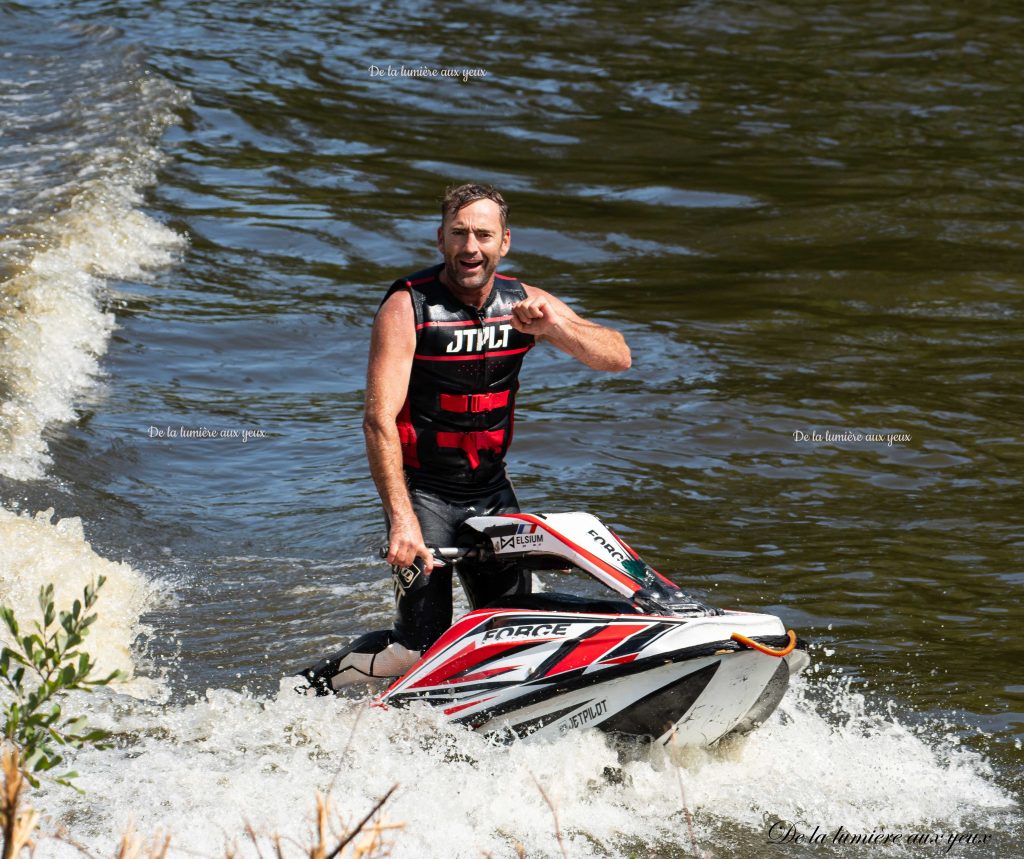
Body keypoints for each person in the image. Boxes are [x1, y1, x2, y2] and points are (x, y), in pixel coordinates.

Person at [299, 183, 630, 692]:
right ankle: (316, 685)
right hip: (424, 493)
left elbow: (617, 357)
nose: (470, 247)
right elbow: (377, 420)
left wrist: (554, 329)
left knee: (517, 634)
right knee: (417, 652)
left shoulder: (526, 303)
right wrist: (402, 519)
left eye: (482, 234)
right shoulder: (407, 306)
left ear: (504, 242)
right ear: (440, 240)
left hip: (493, 490)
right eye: (459, 234)